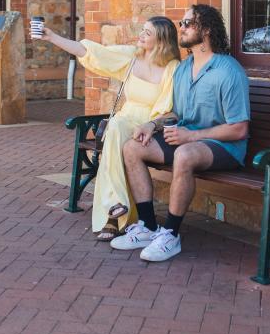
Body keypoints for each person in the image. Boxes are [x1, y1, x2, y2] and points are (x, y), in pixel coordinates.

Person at [111, 4, 249, 262]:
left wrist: (190, 136)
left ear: (206, 30)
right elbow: (174, 112)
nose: (181, 29)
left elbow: (239, 129)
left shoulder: (228, 71)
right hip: (187, 138)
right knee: (132, 148)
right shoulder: (184, 69)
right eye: (181, 23)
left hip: (225, 146)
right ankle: (148, 227)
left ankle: (171, 235)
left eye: (187, 24)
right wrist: (152, 125)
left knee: (184, 154)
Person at [34, 17, 181, 241]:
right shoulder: (131, 56)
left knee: (114, 140)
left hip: (151, 125)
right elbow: (90, 51)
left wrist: (150, 125)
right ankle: (116, 206)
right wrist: (52, 37)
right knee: (116, 129)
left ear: (161, 40)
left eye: (147, 33)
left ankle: (113, 212)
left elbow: (169, 108)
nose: (140, 35)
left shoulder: (172, 68)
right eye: (142, 30)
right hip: (125, 119)